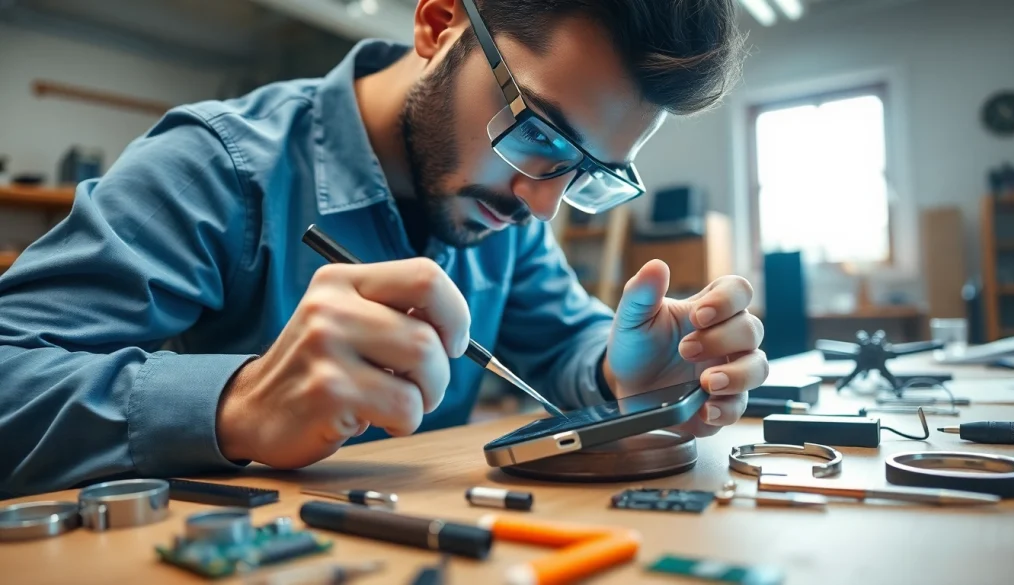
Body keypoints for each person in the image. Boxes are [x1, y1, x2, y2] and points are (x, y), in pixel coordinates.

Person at [0, 0, 766, 498]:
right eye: (538, 135)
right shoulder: (216, 168)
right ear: (438, 26)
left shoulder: (503, 210)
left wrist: (617, 371)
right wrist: (237, 404)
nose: (541, 204)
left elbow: (564, 341)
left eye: (586, 172)